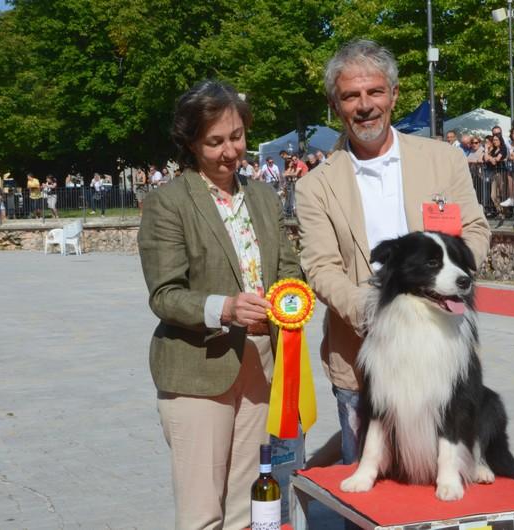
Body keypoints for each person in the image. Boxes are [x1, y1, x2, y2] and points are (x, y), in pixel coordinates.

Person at [295, 39, 490, 466]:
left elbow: (475, 229)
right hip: (362, 365)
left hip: (443, 360)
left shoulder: (443, 160)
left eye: (375, 92)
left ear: (394, 95)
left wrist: (452, 273)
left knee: (443, 484)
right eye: (351, 96)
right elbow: (321, 267)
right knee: (366, 487)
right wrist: (375, 311)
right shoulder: (314, 186)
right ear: (335, 105)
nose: (365, 105)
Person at [137, 79, 301, 530]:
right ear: (191, 143)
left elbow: (289, 268)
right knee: (202, 512)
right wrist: (225, 309)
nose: (230, 151)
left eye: (237, 136)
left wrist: (289, 297)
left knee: (249, 507)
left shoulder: (263, 196)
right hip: (198, 369)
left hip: (262, 361)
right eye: (215, 142)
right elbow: (164, 294)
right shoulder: (168, 203)